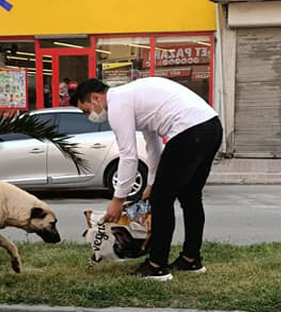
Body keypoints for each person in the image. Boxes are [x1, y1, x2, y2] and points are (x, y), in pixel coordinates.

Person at [70, 77, 222, 281]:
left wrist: (118, 200)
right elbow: (153, 145)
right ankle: (190, 260)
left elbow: (128, 155)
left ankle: (157, 266)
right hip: (211, 127)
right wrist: (151, 183)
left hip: (189, 131)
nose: (90, 116)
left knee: (161, 201)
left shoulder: (117, 103)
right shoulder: (132, 96)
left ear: (96, 98)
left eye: (86, 110)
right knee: (190, 197)